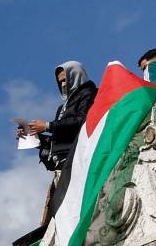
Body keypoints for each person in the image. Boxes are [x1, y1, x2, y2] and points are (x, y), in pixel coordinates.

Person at [17, 60, 97, 225]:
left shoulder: (89, 94)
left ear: (76, 76)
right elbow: (59, 139)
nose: (62, 84)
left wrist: (47, 125)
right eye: (59, 81)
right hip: (63, 164)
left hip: (80, 159)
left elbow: (82, 121)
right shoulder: (62, 108)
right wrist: (33, 137)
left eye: (65, 79)